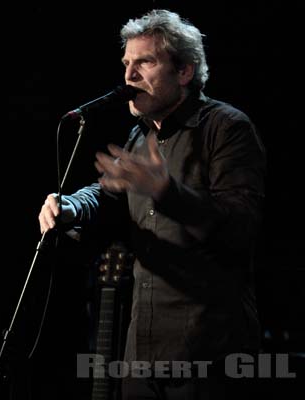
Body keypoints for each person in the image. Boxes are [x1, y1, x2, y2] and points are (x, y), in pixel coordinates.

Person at [38, 9, 266, 400]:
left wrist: (167, 191)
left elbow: (240, 224)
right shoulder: (138, 136)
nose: (128, 76)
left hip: (209, 355)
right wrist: (70, 204)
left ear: (184, 72)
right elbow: (106, 192)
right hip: (140, 352)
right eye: (126, 63)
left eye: (144, 61)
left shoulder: (227, 128)